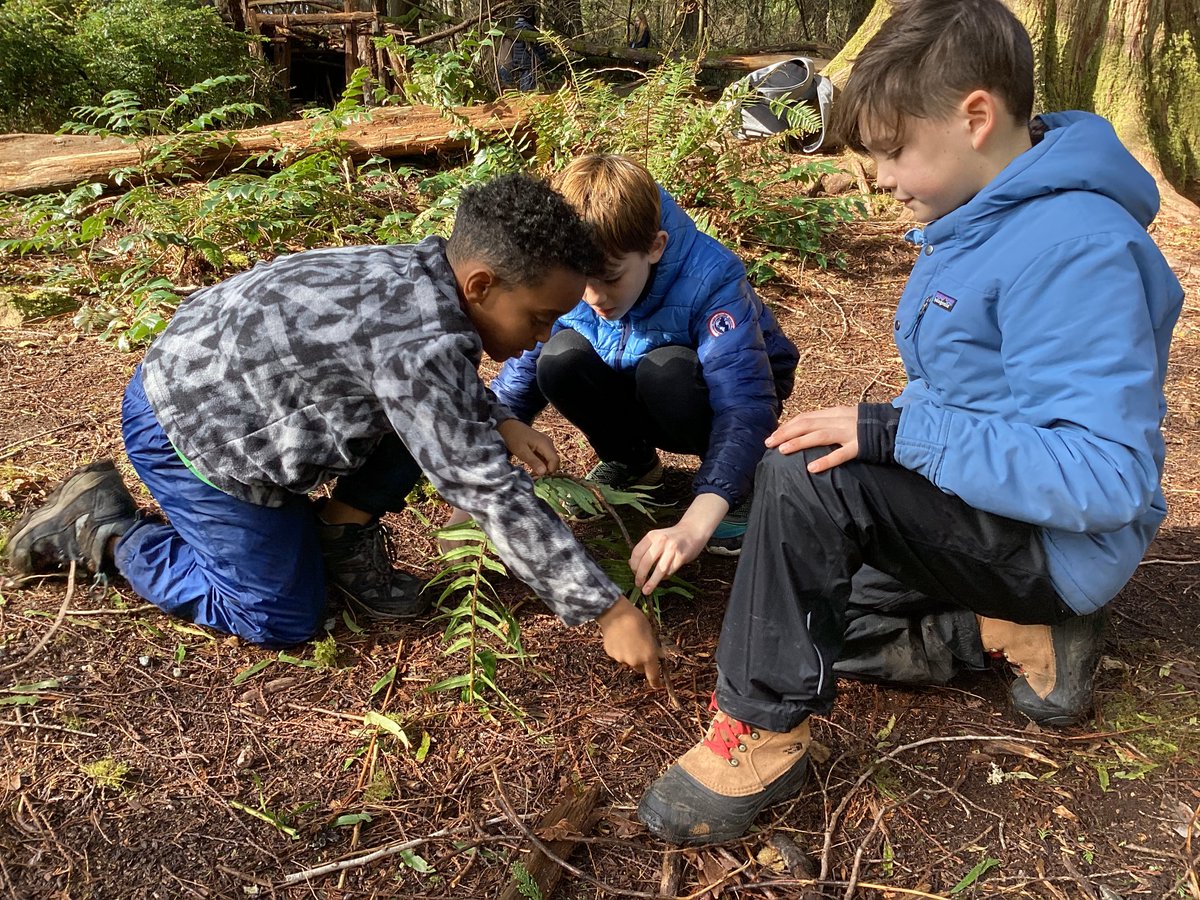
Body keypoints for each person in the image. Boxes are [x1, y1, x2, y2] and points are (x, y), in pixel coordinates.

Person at [637, 0, 1185, 845]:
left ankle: (763, 733)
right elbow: (971, 391)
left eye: (893, 153)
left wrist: (896, 435)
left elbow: (1107, 478)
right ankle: (1012, 632)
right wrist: (897, 425)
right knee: (798, 609)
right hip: (986, 510)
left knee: (799, 491)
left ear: (975, 116)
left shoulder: (1077, 250)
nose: (882, 179)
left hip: (1053, 541)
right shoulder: (974, 219)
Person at [4, 173, 663, 690]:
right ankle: (111, 532)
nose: (543, 337)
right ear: (483, 284)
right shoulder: (418, 339)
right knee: (281, 617)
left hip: (230, 394)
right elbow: (486, 489)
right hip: (193, 434)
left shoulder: (427, 277)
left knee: (443, 428)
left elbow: (417, 376)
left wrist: (499, 417)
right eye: (540, 317)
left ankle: (338, 537)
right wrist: (606, 610)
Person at [481, 154, 799, 587]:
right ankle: (631, 460)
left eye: (610, 279)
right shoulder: (580, 275)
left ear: (655, 246)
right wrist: (480, 471)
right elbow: (517, 383)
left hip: (701, 393)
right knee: (559, 360)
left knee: (665, 368)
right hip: (632, 384)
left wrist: (703, 513)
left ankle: (734, 486)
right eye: (581, 282)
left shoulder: (711, 276)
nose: (593, 296)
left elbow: (745, 402)